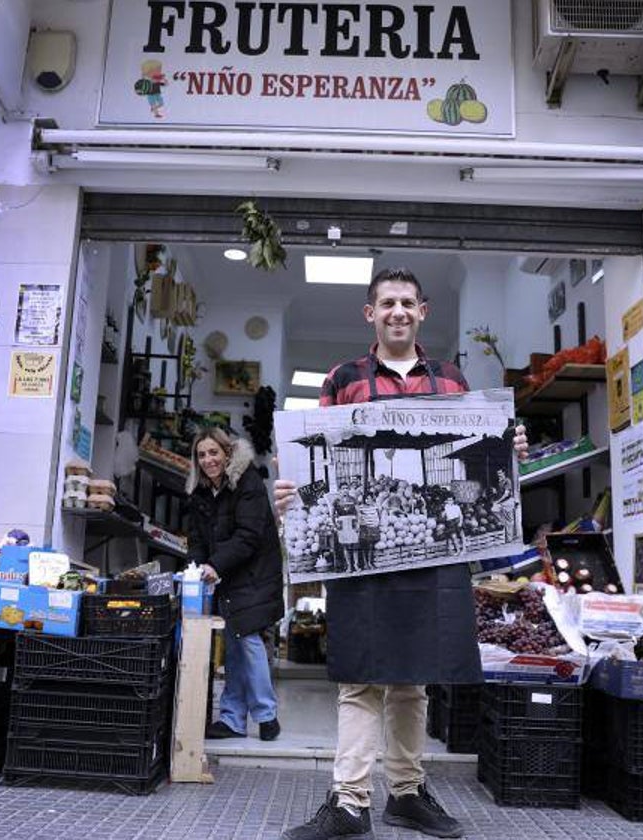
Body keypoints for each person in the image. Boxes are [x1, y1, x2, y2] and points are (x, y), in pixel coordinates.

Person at [275, 267, 526, 840]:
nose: (398, 312)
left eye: (407, 303)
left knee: (413, 680)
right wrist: (290, 488)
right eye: (387, 303)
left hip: (431, 555)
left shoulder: (451, 380)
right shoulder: (343, 379)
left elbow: (480, 444)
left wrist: (509, 445)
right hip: (366, 550)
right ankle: (349, 802)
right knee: (359, 678)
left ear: (423, 311)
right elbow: (314, 452)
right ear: (370, 313)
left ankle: (407, 795)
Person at [184, 428, 283, 742]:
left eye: (214, 452)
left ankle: (267, 715)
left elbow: (249, 535)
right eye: (202, 455)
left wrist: (215, 565)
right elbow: (198, 538)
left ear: (227, 453)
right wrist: (196, 567)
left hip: (254, 572)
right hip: (225, 575)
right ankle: (233, 719)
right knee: (236, 645)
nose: (208, 460)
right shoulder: (200, 492)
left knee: (249, 640)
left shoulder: (247, 481)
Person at [490, 468, 519, 543]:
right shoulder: (499, 482)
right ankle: (503, 522)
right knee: (493, 509)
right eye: (498, 474)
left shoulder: (507, 481)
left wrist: (497, 501)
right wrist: (495, 493)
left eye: (500, 473)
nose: (499, 475)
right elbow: (500, 493)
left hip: (508, 501)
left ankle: (509, 539)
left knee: (509, 520)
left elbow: (506, 494)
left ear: (504, 473)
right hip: (502, 502)